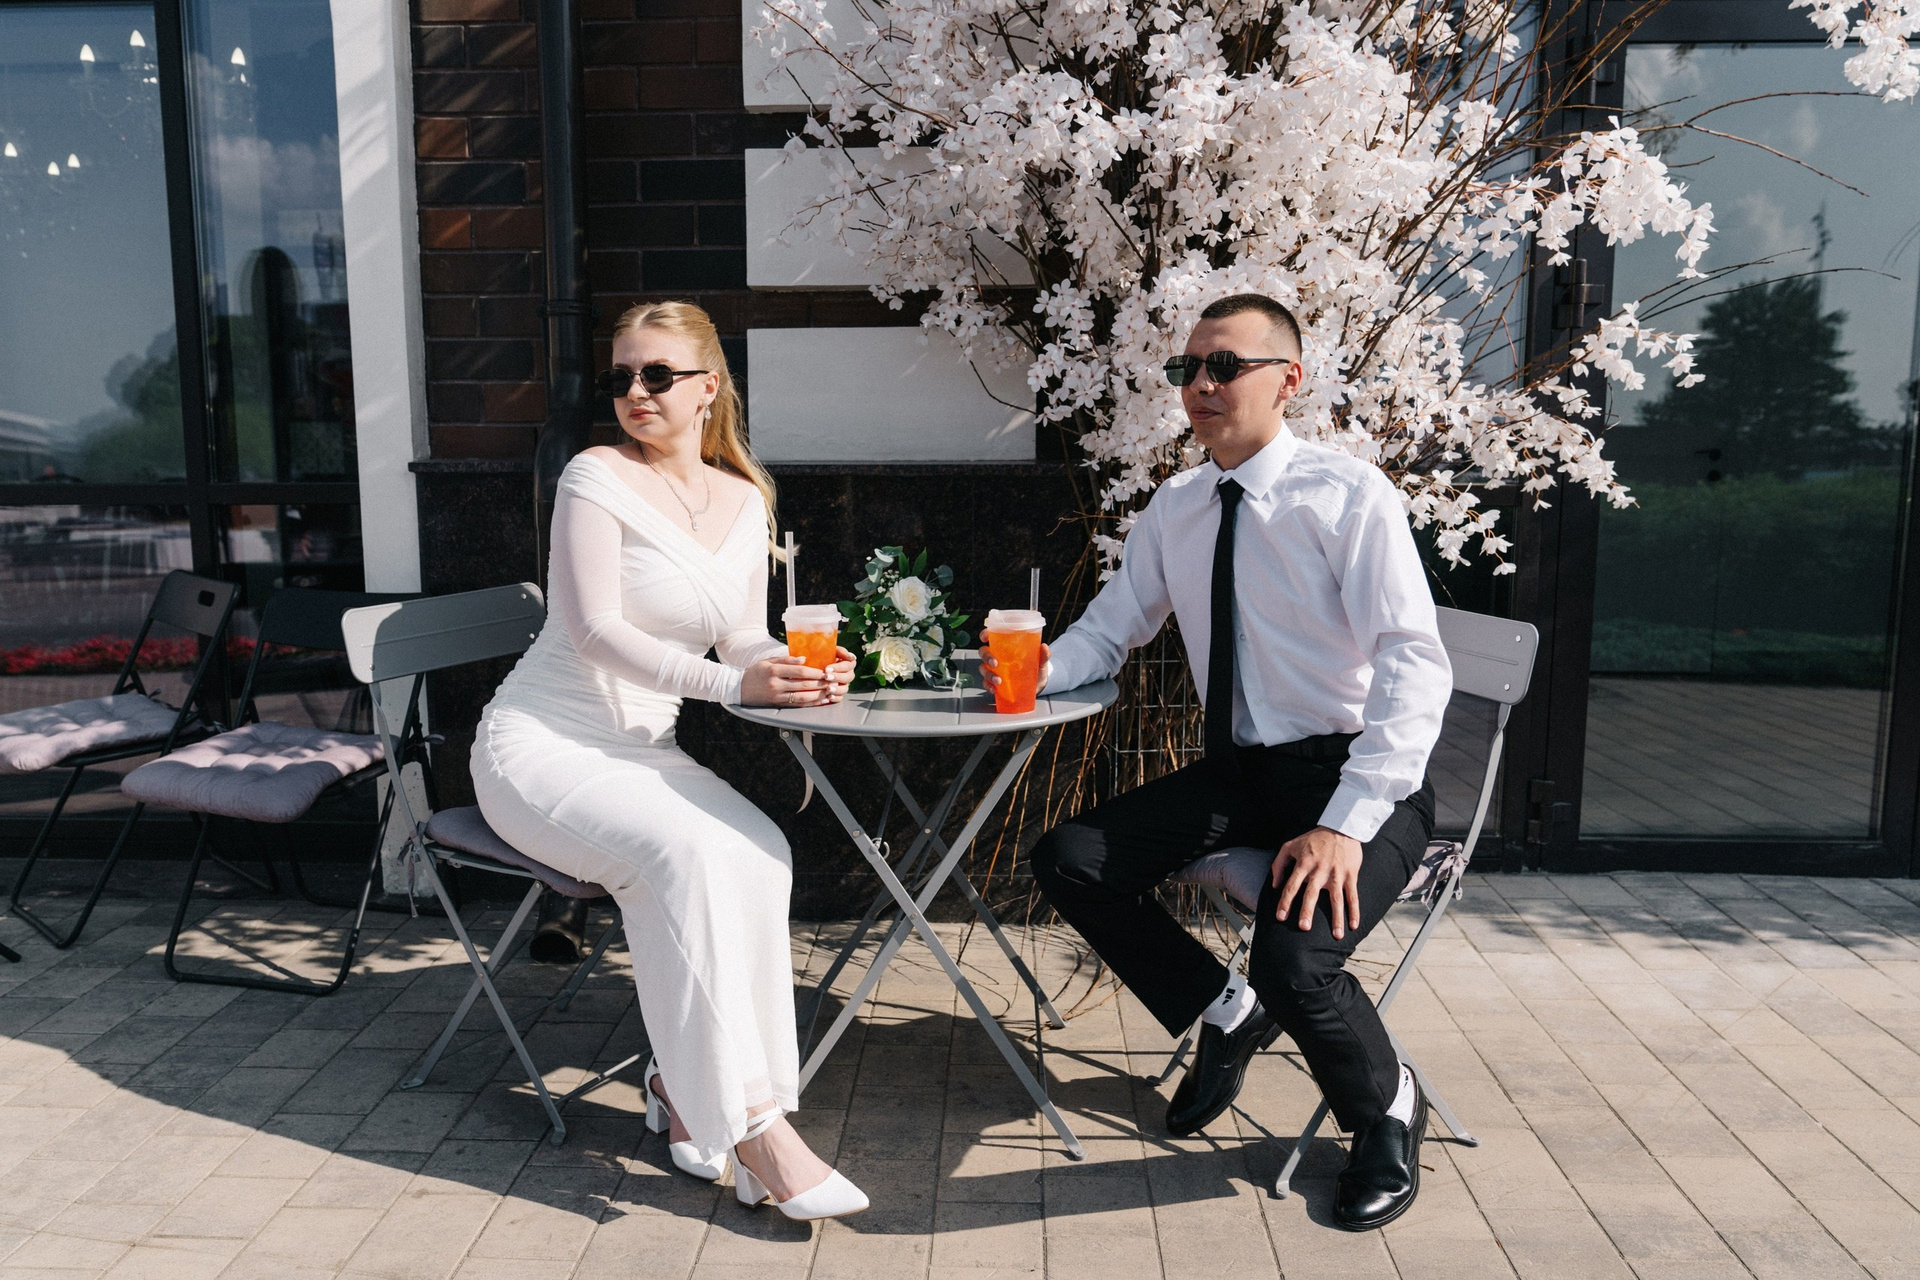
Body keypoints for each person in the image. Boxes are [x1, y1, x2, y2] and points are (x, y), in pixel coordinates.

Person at [985, 294, 1452, 1230]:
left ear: (1289, 379)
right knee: (1070, 860)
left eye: (1224, 366)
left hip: (1355, 781)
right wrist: (1033, 671)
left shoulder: (1347, 497)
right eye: (1187, 369)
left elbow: (1414, 663)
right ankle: (1222, 1008)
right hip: (1241, 777)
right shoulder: (1179, 507)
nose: (1200, 384)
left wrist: (1343, 826)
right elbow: (1112, 628)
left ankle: (1387, 1111)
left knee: (1295, 963)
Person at [470, 301, 869, 1222]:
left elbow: (739, 634)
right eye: (621, 378)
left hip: (641, 750)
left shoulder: (744, 497)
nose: (635, 393)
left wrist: (790, 667)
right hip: (540, 749)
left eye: (657, 374)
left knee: (760, 850)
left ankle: (687, 1091)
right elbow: (594, 631)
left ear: (708, 387)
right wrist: (737, 687)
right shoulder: (594, 476)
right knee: (683, 857)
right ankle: (758, 1131)